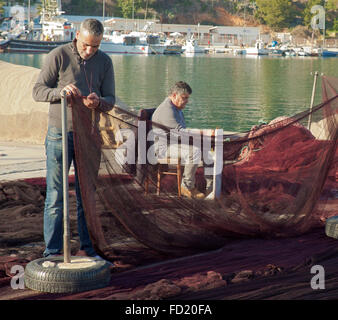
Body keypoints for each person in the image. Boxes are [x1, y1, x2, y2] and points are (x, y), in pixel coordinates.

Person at [32, 18, 115, 258]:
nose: (90, 51)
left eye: (96, 47)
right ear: (77, 35)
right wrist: (61, 92)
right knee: (56, 196)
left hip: (88, 136)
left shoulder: (105, 62)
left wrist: (99, 101)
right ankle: (53, 251)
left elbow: (111, 99)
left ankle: (87, 249)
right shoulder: (58, 55)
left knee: (86, 197)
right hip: (59, 134)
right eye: (87, 45)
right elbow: (38, 91)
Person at [152, 81, 213, 199]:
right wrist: (201, 133)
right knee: (194, 152)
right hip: (163, 148)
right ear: (174, 95)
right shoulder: (167, 110)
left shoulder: (176, 108)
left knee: (206, 150)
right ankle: (187, 186)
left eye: (187, 98)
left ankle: (210, 188)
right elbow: (179, 132)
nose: (187, 101)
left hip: (175, 144)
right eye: (184, 98)